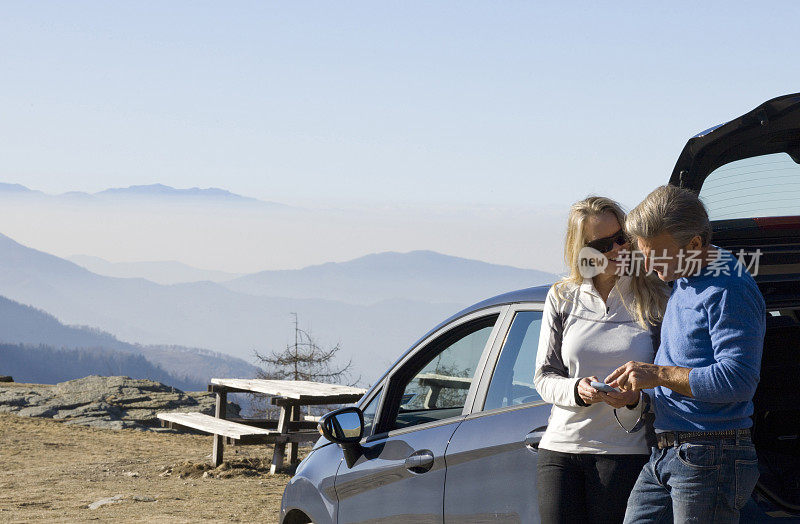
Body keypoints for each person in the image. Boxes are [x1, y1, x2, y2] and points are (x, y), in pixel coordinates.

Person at [606, 185, 765, 523]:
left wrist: (657, 374)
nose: (647, 265)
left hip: (710, 454)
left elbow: (737, 380)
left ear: (694, 244)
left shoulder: (729, 288)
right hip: (668, 451)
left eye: (655, 254)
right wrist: (640, 389)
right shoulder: (687, 277)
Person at [534, 196, 669, 524]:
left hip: (627, 452)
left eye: (622, 238)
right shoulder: (562, 297)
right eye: (604, 244)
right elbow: (544, 376)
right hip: (561, 450)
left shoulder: (657, 296)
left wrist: (638, 398)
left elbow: (672, 377)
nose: (618, 249)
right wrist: (578, 390)